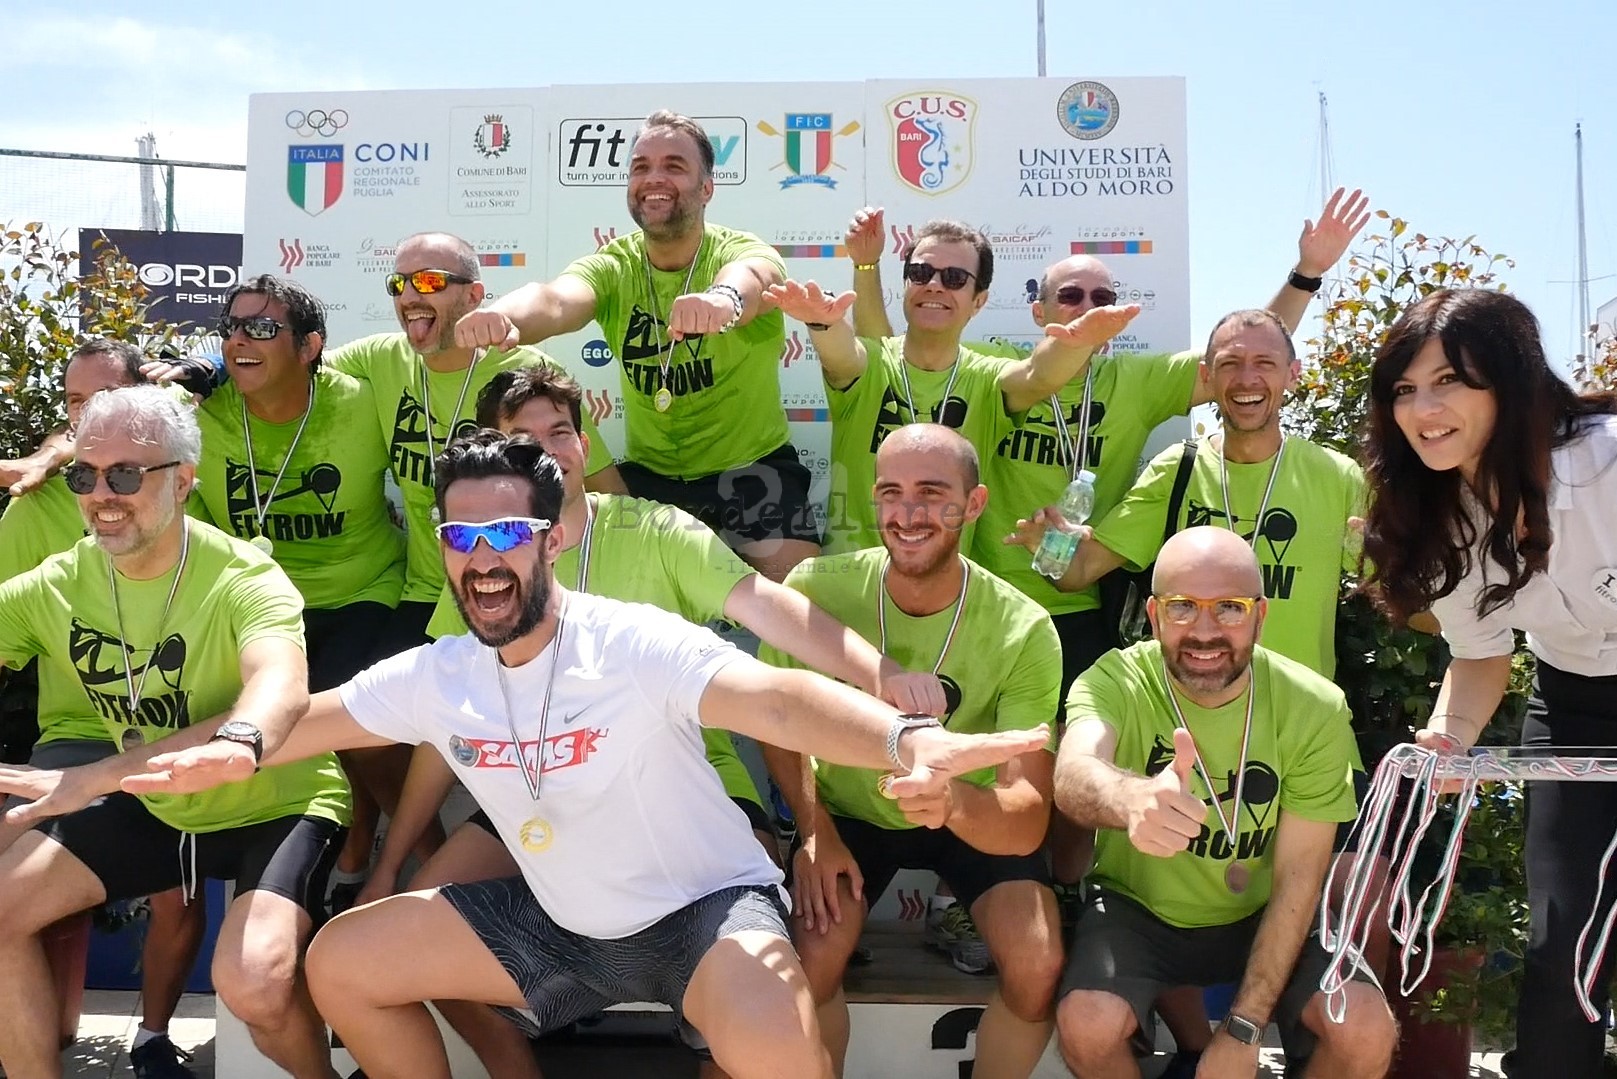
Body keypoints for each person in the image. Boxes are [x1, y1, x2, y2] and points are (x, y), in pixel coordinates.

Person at [118, 432, 1049, 1079]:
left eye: (507, 534)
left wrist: (904, 736)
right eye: (462, 537)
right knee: (345, 959)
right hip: (559, 923)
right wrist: (211, 750)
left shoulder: (631, 638)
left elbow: (774, 696)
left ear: (554, 538)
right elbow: (295, 719)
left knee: (782, 1053)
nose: (484, 557)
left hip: (702, 915)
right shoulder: (441, 670)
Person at [378, 366, 945, 1079]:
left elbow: (767, 606)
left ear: (585, 444)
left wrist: (882, 675)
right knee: (400, 925)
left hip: (688, 785)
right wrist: (389, 862)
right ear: (499, 454)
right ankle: (511, 1062)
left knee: (783, 962)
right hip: (537, 791)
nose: (549, 450)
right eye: (526, 437)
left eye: (561, 432)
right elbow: (446, 715)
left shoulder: (654, 527)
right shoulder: (477, 554)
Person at [841, 191, 1370, 686]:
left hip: (1083, 604)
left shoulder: (1138, 383)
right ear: (1039, 312)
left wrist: (1306, 275)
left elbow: (1246, 355)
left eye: (1103, 297)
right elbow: (891, 364)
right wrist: (866, 269)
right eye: (1070, 296)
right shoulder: (995, 369)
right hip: (986, 595)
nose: (1088, 307)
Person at [0, 385, 352, 1079]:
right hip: (158, 799)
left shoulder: (244, 575)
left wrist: (240, 741)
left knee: (255, 984)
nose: (103, 494)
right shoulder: (56, 583)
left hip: (274, 801)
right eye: (84, 475)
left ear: (183, 480)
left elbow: (281, 681)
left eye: (126, 474)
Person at [1360, 288, 1617, 1079]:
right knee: (1563, 943)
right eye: (1405, 389)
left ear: (1509, 383)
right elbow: (1477, 654)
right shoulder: (1438, 510)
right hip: (1572, 705)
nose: (1422, 410)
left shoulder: (1605, 462)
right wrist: (1450, 737)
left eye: (1448, 381)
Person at [762, 425, 1064, 1079]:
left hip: (968, 814)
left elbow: (1024, 818)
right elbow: (776, 719)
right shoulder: (816, 585)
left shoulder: (1023, 627)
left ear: (974, 504)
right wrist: (813, 830)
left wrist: (949, 801)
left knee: (1038, 964)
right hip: (848, 813)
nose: (907, 513)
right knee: (811, 958)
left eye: (931, 493)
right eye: (891, 493)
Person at [1053, 527, 1395, 1078]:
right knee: (1088, 1022)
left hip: (1266, 911)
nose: (1205, 631)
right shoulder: (1115, 680)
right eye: (1182, 607)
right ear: (1154, 615)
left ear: (1260, 616)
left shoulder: (1314, 706)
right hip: (1141, 912)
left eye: (1230, 608)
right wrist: (1129, 796)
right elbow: (1074, 770)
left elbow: (1300, 878)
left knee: (1363, 1027)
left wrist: (1243, 1029)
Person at [455, 110, 815, 582]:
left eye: (674, 166)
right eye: (641, 167)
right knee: (620, 603)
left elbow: (753, 277)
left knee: (798, 595)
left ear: (707, 188)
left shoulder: (738, 251)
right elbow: (556, 299)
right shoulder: (615, 265)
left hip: (753, 473)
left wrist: (722, 299)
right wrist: (504, 315)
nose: (654, 178)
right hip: (652, 479)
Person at [0, 341, 210, 1078]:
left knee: (176, 887)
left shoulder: (177, 486)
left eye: (103, 399)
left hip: (181, 734)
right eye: (74, 403)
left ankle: (151, 1037)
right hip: (75, 734)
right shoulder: (34, 511)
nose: (86, 416)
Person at [192, 275, 431, 915]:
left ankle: (430, 871)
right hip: (260, 608)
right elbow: (107, 427)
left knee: (363, 736)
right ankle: (350, 857)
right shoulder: (200, 413)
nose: (240, 340)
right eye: (231, 328)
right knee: (285, 737)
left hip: (362, 592)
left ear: (309, 346)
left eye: (262, 328)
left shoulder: (362, 400)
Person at [1010, 308, 1364, 679]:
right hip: (1186, 706)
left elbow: (1394, 590)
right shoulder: (1179, 469)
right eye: (1230, 364)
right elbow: (1079, 572)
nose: (1247, 379)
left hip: (1300, 708)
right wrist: (1048, 547)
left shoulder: (1338, 476)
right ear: (1206, 375)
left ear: (1293, 374)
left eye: (1265, 363)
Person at [763, 219, 1138, 557]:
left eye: (954, 278)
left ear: (979, 301)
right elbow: (842, 356)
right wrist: (822, 324)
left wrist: (1078, 342)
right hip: (850, 590)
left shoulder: (987, 378)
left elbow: (1039, 375)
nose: (934, 285)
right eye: (921, 272)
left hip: (943, 595)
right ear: (906, 284)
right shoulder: (874, 361)